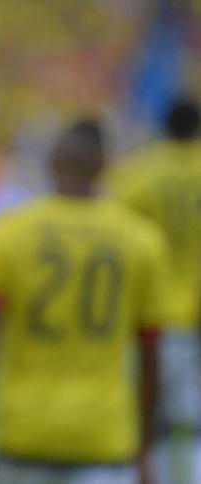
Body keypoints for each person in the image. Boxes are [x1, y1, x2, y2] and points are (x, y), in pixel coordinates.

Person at [0, 119, 172, 484]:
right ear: (105, 167)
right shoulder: (142, 240)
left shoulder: (8, 231)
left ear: (52, 162)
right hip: (104, 437)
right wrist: (145, 450)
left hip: (24, 433)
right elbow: (151, 359)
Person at [108, 96, 201, 484]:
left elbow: (115, 238)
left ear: (164, 127)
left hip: (154, 315)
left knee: (153, 420)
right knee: (193, 422)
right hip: (195, 313)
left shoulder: (140, 173)